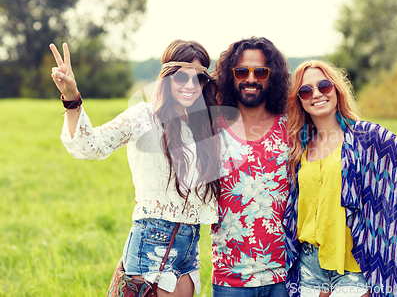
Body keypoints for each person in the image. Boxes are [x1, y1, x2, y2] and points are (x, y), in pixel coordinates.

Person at [49, 40, 221, 297]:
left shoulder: (204, 125)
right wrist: (72, 98)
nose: (190, 85)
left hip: (189, 248)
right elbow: (89, 146)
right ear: (167, 78)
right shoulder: (143, 116)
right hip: (150, 245)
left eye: (199, 78)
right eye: (182, 76)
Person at [284, 60, 397, 297]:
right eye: (306, 90)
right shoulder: (298, 146)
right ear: (300, 100)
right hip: (308, 268)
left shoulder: (367, 137)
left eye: (324, 86)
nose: (316, 94)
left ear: (336, 89)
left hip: (353, 268)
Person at [210, 36, 291, 297]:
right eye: (242, 71)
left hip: (285, 275)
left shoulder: (292, 127)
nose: (251, 78)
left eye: (261, 71)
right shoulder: (212, 128)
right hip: (229, 279)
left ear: (273, 76)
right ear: (230, 76)